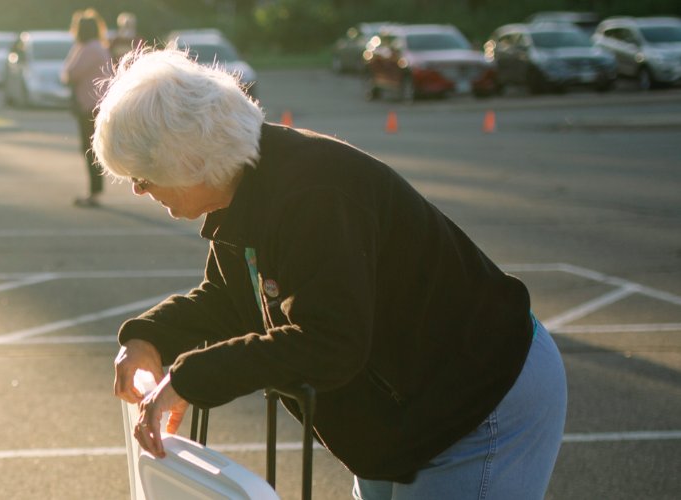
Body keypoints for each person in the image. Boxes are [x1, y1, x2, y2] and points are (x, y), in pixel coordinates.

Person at [99, 48, 567, 499]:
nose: (140, 191)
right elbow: (230, 299)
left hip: (479, 398)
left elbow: (331, 342)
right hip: (408, 412)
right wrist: (150, 336)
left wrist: (190, 378)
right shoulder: (243, 190)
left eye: (142, 176)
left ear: (189, 160)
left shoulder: (314, 195)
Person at [61, 9, 112, 208]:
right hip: (94, 104)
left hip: (91, 105)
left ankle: (95, 193)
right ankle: (95, 191)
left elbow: (69, 73)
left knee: (91, 149)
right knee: (92, 149)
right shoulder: (96, 46)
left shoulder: (90, 49)